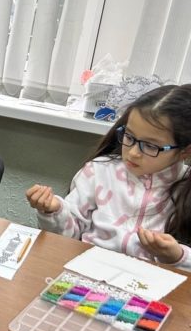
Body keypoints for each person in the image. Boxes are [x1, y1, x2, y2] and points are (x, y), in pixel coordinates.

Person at [26, 85, 191, 270]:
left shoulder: (185, 187)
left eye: (151, 146)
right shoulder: (99, 171)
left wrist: (177, 256)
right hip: (89, 272)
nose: (134, 153)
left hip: (151, 286)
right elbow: (68, 236)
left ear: (185, 151)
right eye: (129, 137)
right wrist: (54, 211)